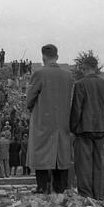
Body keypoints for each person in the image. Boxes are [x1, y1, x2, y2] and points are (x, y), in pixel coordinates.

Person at [26, 44, 74, 194]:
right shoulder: (68, 75)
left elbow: (29, 99)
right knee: (61, 153)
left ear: (43, 57)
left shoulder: (39, 74)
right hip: (63, 121)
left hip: (43, 121)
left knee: (41, 152)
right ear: (57, 57)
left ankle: (42, 187)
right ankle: (60, 188)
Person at [70, 56, 104, 200]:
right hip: (101, 128)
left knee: (84, 163)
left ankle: (86, 195)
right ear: (96, 67)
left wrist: (73, 128)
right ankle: (99, 194)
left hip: (84, 129)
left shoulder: (80, 84)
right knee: (99, 162)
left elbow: (77, 109)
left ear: (84, 68)